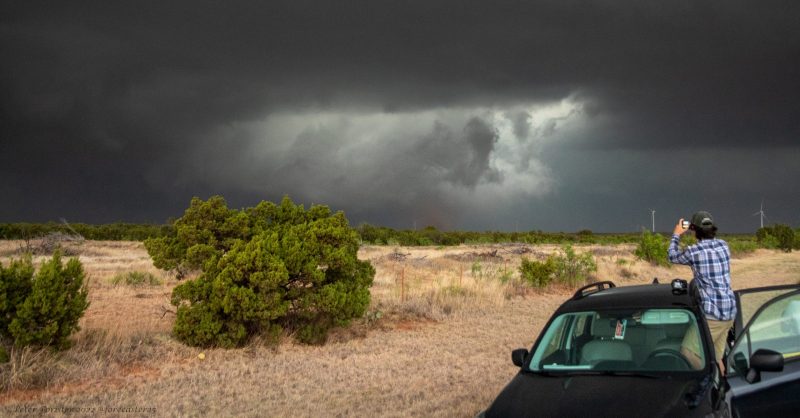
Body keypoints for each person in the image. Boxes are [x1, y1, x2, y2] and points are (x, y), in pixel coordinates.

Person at [668, 211, 736, 374]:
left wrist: (677, 234)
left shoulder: (694, 251)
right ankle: (722, 386)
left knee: (689, 354)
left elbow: (672, 256)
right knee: (716, 357)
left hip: (712, 316)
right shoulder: (724, 245)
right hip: (729, 313)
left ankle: (705, 382)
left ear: (693, 229)